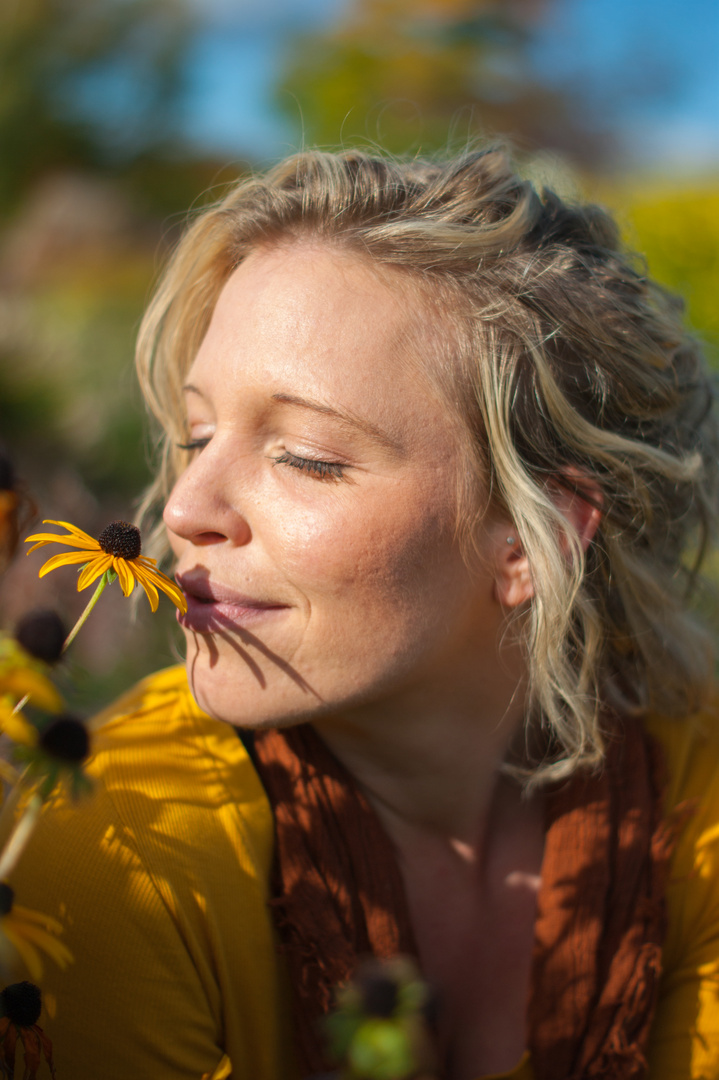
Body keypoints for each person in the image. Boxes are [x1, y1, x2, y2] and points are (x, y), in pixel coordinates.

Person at [9, 146, 719, 1080]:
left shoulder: (691, 807)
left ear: (531, 538)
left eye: (305, 456)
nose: (183, 509)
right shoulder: (118, 851)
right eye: (198, 434)